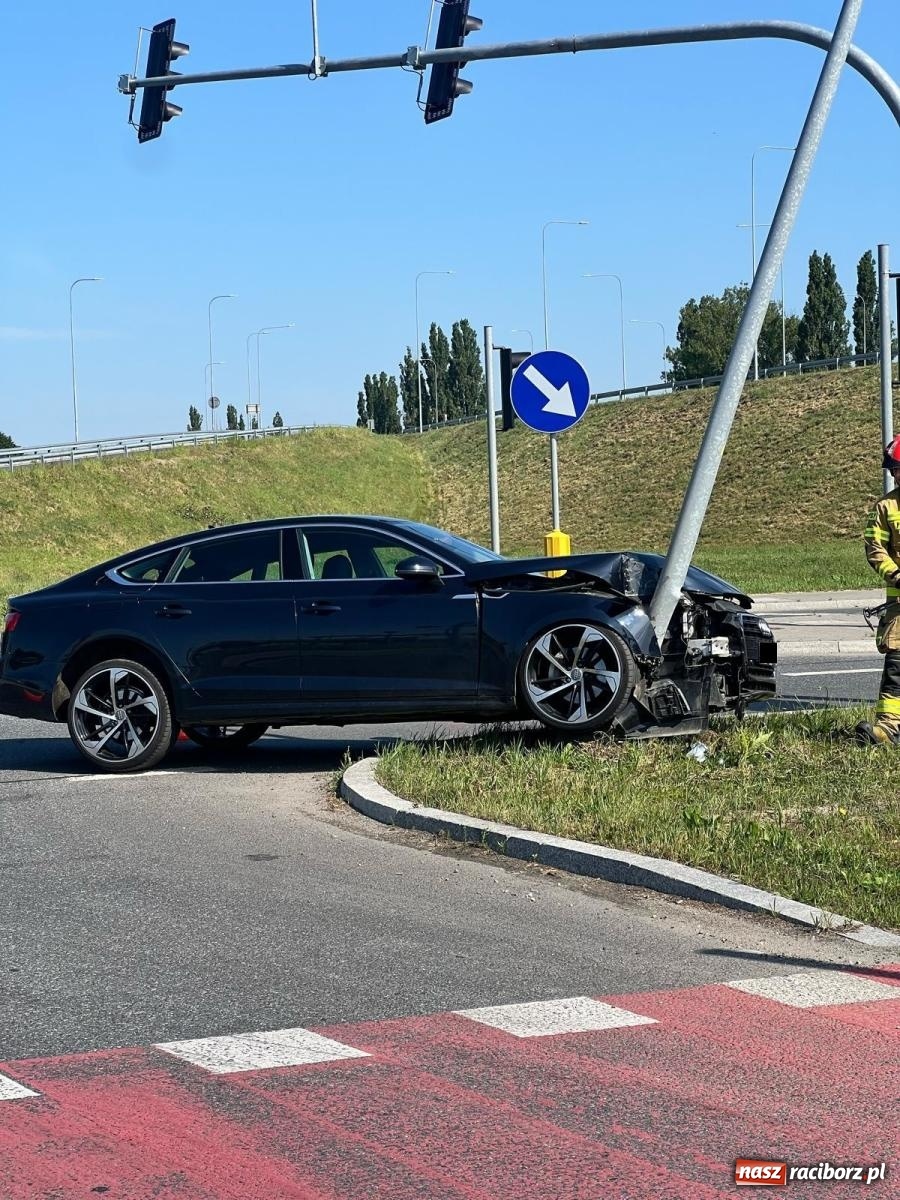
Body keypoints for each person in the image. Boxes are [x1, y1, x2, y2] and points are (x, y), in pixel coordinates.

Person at [856, 435, 900, 745]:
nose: (896, 475)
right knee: (897, 665)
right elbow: (875, 549)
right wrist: (896, 575)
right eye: (894, 470)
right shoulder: (885, 507)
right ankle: (889, 728)